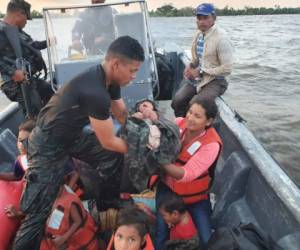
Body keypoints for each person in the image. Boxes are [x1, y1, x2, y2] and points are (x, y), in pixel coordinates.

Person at [12, 36, 144, 249]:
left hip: (70, 136)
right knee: (38, 212)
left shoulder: (110, 80)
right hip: (47, 143)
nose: (134, 76)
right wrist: (143, 149)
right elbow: (108, 140)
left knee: (111, 156)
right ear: (116, 64)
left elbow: (121, 113)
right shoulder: (95, 91)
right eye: (132, 70)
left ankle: (106, 207)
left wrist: (142, 132)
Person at [155, 97, 223, 249]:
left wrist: (159, 159)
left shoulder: (211, 144)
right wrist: (149, 112)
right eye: (190, 112)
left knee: (206, 240)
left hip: (195, 197)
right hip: (168, 190)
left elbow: (186, 174)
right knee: (161, 233)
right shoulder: (179, 123)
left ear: (208, 121)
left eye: (197, 116)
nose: (190, 118)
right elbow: (160, 128)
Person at [171, 3, 233, 117]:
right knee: (177, 100)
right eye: (199, 18)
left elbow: (227, 69)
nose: (201, 21)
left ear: (214, 18)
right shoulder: (199, 34)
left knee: (196, 106)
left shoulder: (222, 38)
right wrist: (190, 65)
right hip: (200, 78)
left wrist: (201, 71)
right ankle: (182, 126)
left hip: (216, 81)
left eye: (205, 18)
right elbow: (198, 58)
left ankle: (198, 129)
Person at [0, 0, 53, 117]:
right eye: (26, 18)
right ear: (19, 14)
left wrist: (48, 42)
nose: (26, 22)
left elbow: (31, 46)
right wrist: (13, 72)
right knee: (33, 115)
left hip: (28, 79)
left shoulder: (16, 32)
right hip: (14, 83)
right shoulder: (2, 31)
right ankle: (27, 132)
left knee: (52, 96)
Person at [40, 183, 98, 250]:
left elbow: (78, 221)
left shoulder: (69, 200)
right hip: (57, 241)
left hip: (81, 243)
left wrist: (63, 238)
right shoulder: (53, 199)